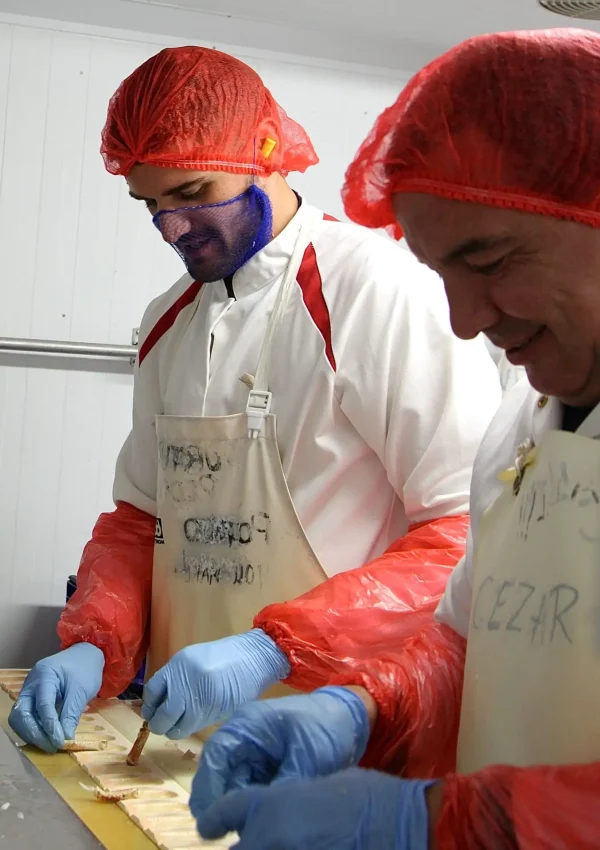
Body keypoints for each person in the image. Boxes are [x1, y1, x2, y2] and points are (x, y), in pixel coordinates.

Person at [8, 46, 500, 754]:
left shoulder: (376, 292)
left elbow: (466, 535)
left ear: (266, 151)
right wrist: (95, 640)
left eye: (192, 193)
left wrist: (273, 650)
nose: (172, 228)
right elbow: (142, 516)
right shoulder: (166, 322)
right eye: (150, 203)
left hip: (344, 741)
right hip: (183, 744)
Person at [189, 28, 600, 849]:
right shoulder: (520, 428)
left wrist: (431, 823)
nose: (463, 319)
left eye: (487, 259)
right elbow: (465, 644)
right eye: (442, 273)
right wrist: (362, 709)